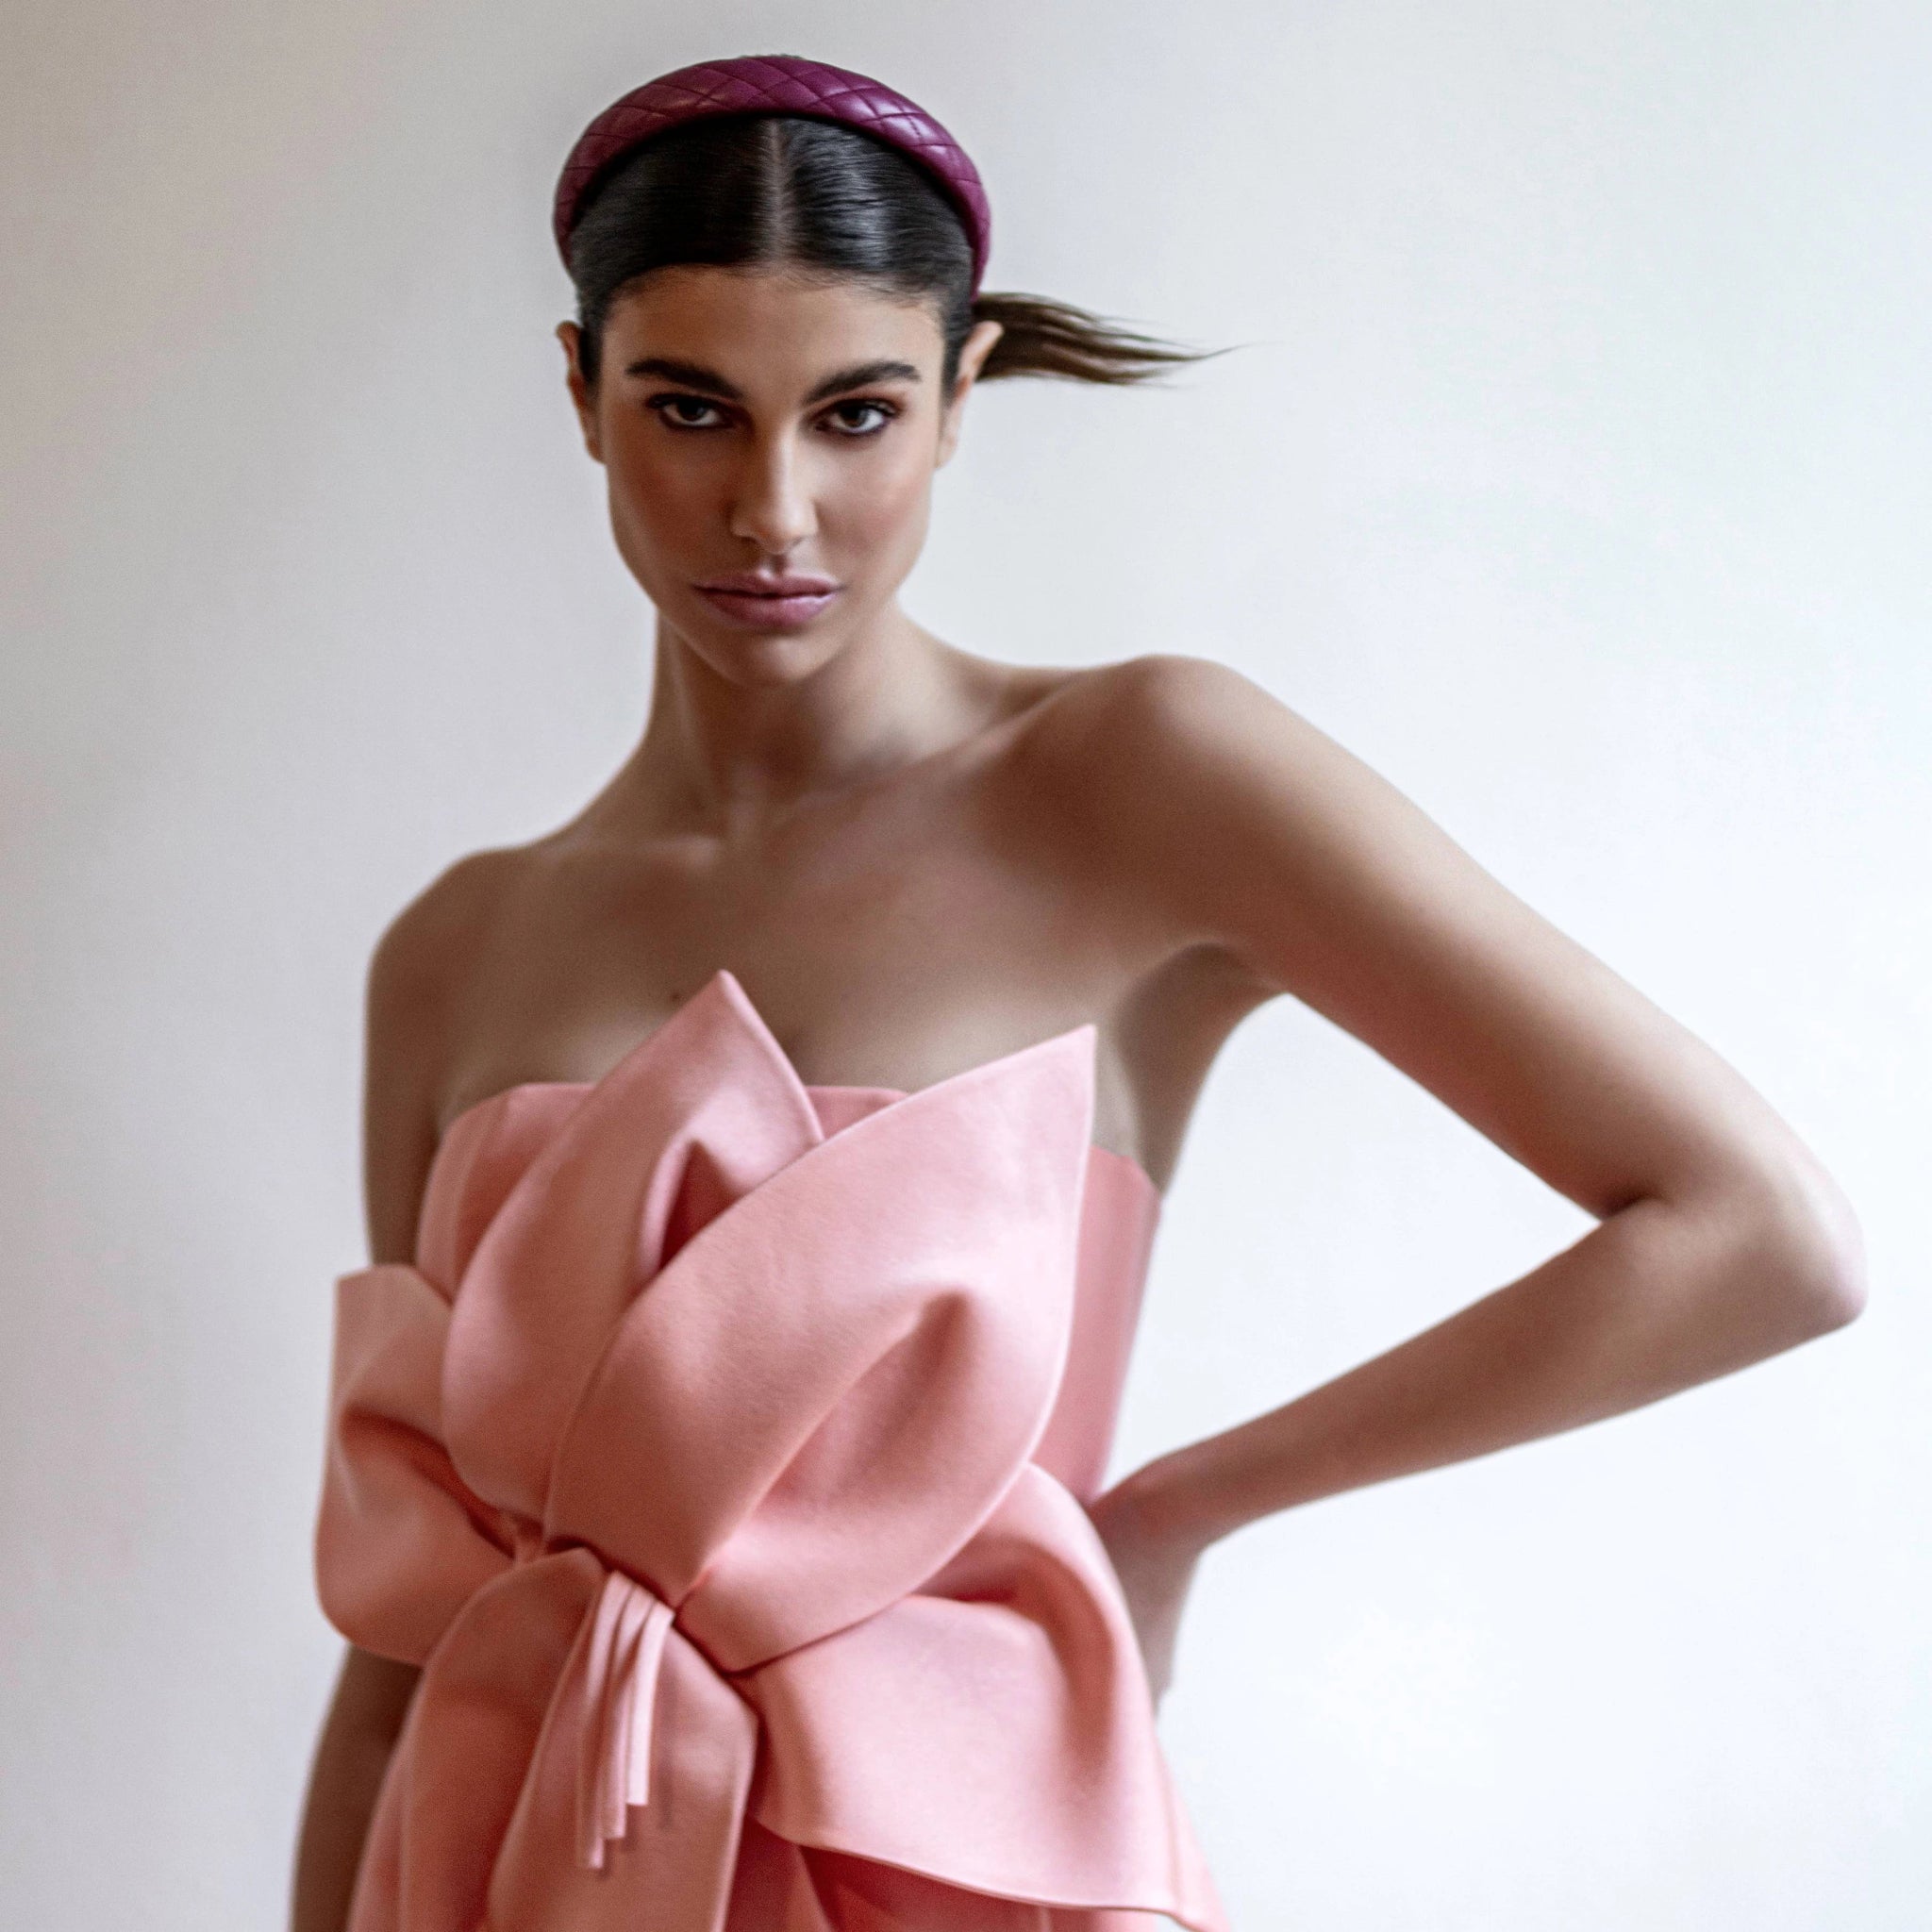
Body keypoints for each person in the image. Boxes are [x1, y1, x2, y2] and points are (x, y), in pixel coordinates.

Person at [290, 52, 1866, 1932]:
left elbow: (1759, 1233)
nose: (773, 508)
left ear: (960, 398)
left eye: (856, 413)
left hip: (986, 1876)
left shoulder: (1140, 777)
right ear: (580, 396)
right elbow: (401, 1650)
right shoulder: (457, 950)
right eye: (691, 408)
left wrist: (1176, 1510)